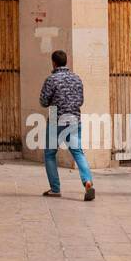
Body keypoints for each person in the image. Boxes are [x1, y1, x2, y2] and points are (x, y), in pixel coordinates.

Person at [38, 50, 94, 201]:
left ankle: (55, 189)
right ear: (66, 61)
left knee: (50, 154)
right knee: (78, 152)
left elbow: (43, 102)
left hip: (57, 119)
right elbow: (81, 101)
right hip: (74, 119)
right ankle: (87, 181)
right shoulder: (76, 78)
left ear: (54, 63)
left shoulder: (52, 79)